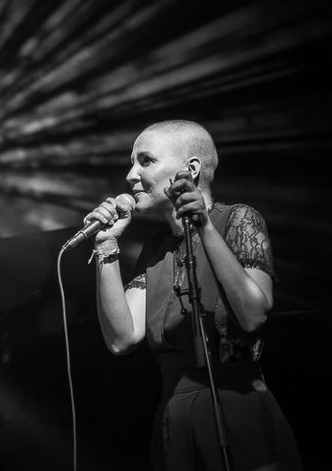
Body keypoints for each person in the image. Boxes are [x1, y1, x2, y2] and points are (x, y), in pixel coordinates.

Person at [85, 120, 302, 470]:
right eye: (132, 162)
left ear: (191, 169)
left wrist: (204, 226)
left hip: (238, 405)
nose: (131, 174)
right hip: (176, 416)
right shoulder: (156, 250)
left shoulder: (238, 220)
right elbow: (121, 339)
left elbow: (253, 315)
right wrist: (107, 248)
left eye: (146, 160)